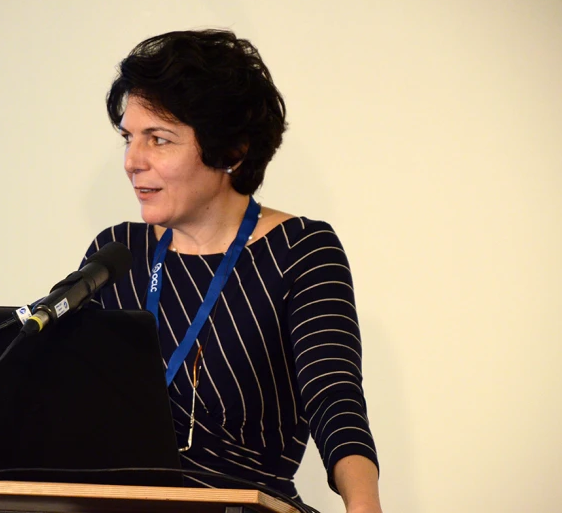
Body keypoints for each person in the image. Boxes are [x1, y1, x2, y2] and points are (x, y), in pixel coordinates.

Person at [83, 29, 382, 513]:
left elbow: (335, 398)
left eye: (158, 139)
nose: (132, 162)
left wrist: (364, 506)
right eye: (128, 138)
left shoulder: (301, 250)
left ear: (231, 151)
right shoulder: (116, 253)